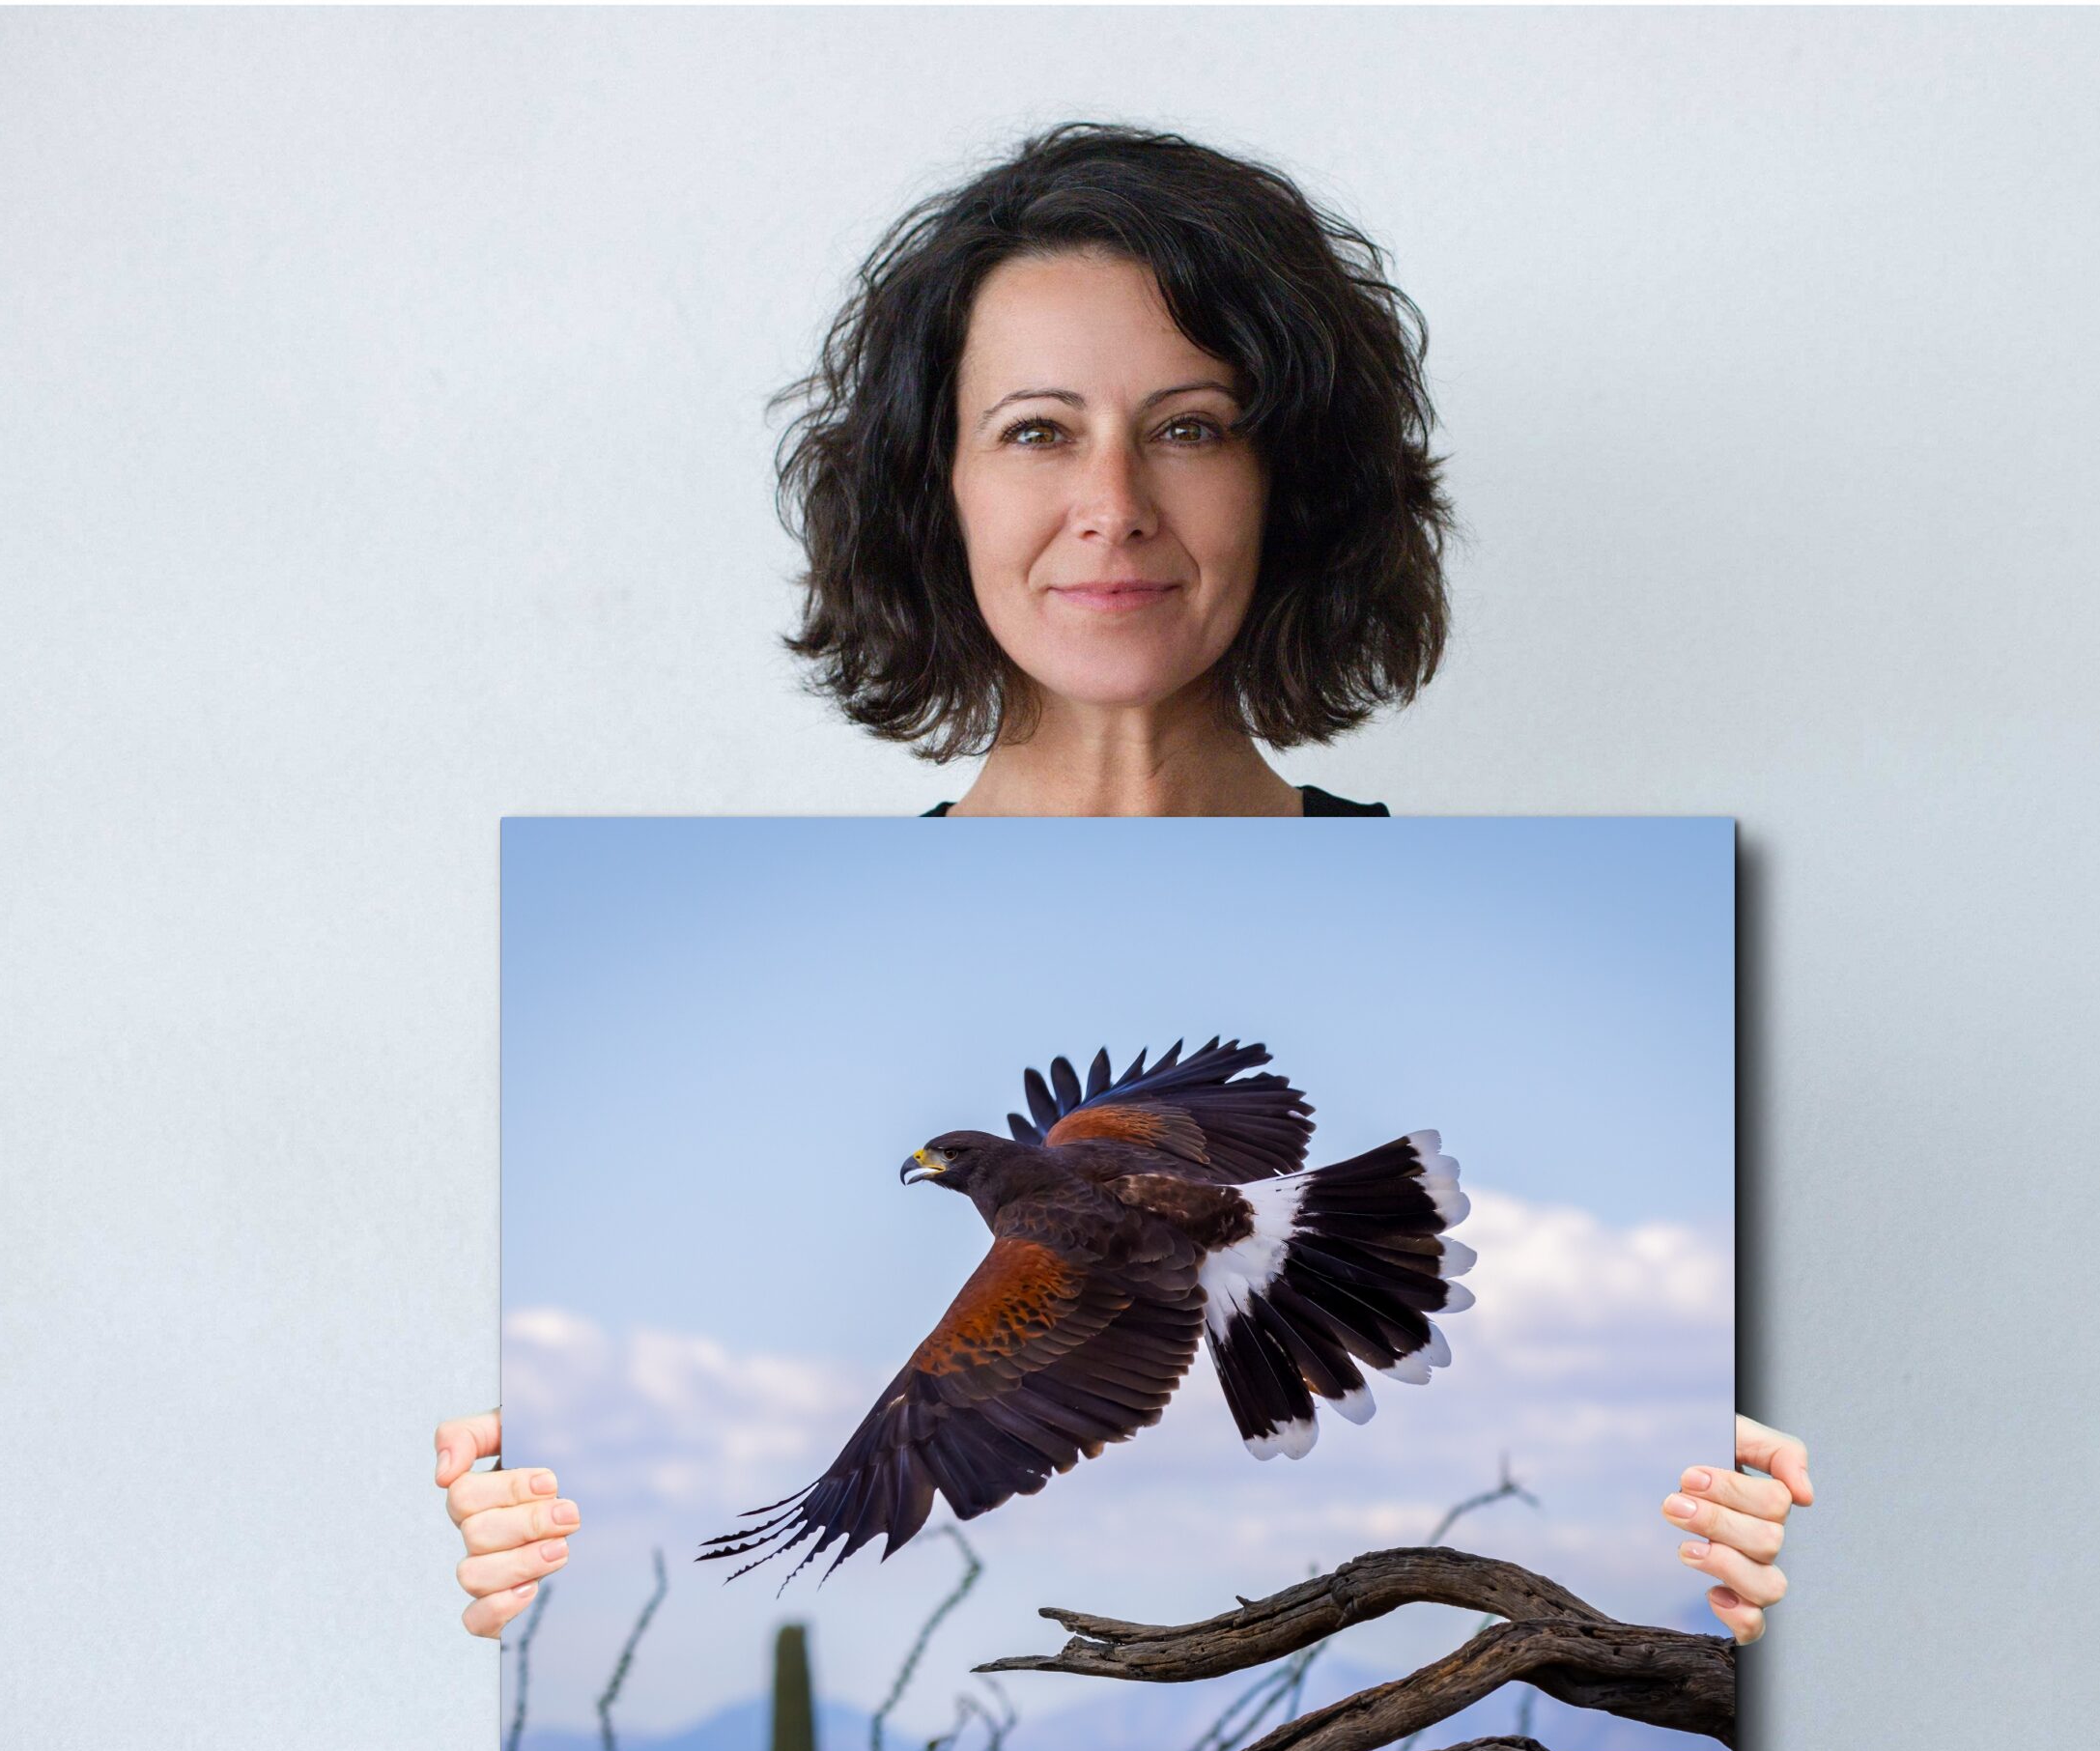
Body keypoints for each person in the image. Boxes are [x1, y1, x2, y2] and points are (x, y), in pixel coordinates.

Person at [438, 122, 1813, 1647]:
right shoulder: (801, 954)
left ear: (1288, 484)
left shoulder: (1551, 934)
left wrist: (1698, 1546)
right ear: (935, 488)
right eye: (1036, 430)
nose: (1115, 503)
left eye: (1192, 426)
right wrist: (547, 1541)